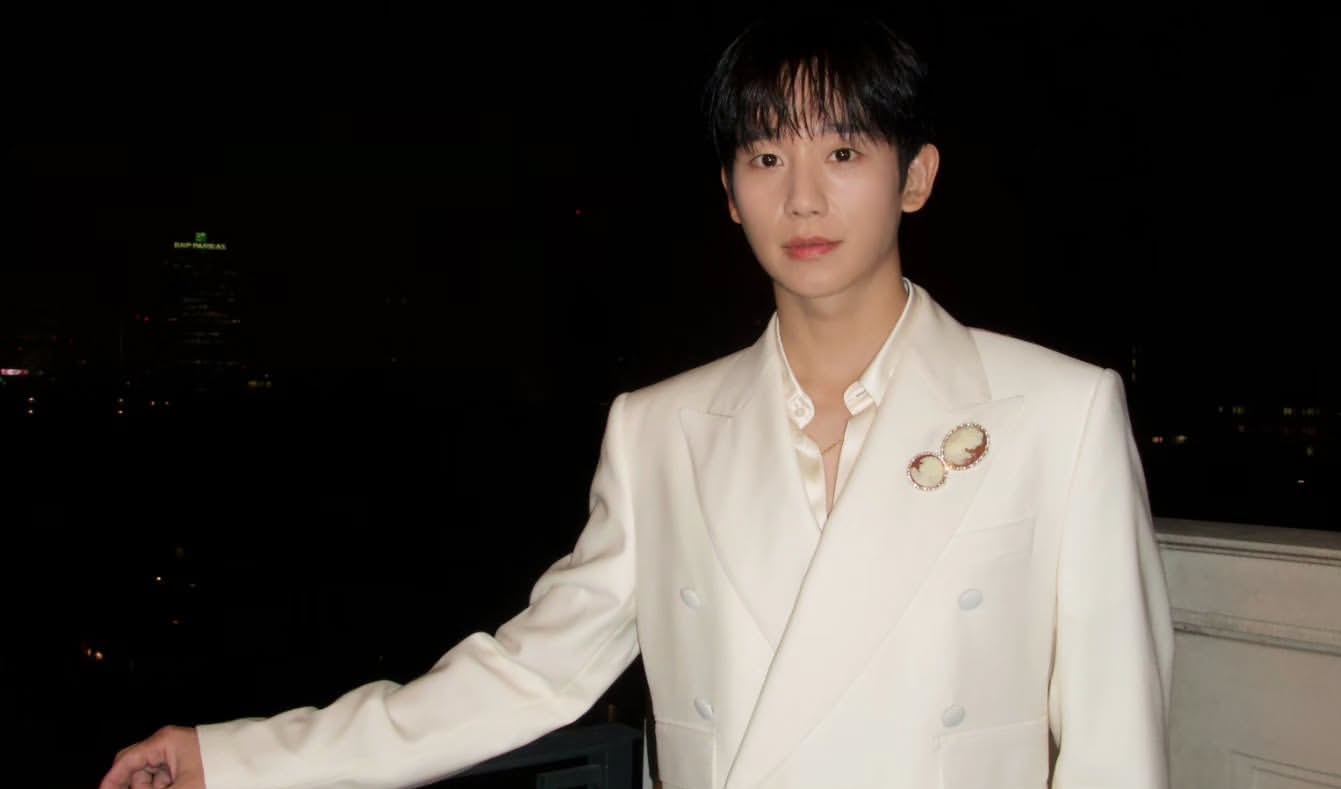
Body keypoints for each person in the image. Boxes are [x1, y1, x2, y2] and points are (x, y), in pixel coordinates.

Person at [102, 15, 1172, 789]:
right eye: (766, 156)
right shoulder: (659, 431)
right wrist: (234, 759)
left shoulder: (1056, 413)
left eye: (844, 151)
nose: (802, 197)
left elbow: (1117, 745)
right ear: (730, 193)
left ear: (917, 175)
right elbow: (526, 676)